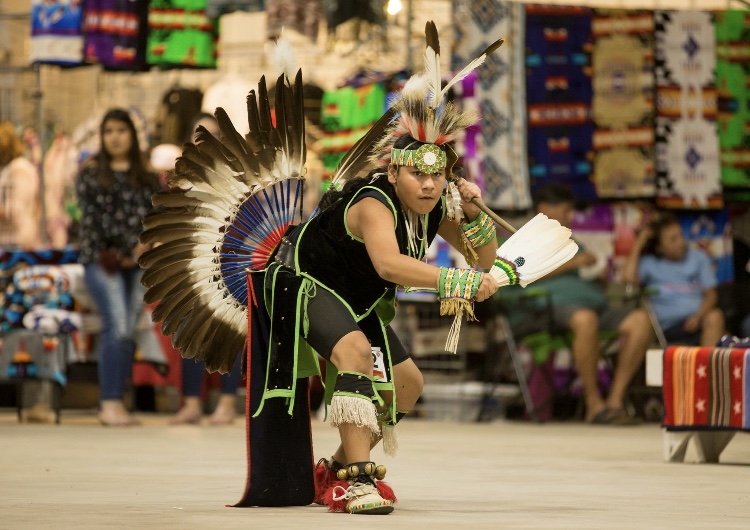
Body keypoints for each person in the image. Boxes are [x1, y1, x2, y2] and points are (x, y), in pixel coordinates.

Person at [531, 184, 654, 424]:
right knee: (585, 319)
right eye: (566, 211)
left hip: (595, 305)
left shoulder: (571, 241)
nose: (570, 217)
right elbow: (520, 274)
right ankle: (593, 403)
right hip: (546, 310)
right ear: (544, 209)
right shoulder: (522, 239)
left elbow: (595, 276)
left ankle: (615, 401)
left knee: (641, 320)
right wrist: (573, 264)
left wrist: (598, 273)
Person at [75, 108, 159, 426]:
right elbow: (94, 221)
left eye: (121, 130)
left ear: (132, 135)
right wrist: (127, 248)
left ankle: (117, 402)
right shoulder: (90, 173)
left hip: (138, 263)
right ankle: (108, 402)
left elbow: (158, 216)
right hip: (103, 261)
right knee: (118, 325)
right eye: (109, 130)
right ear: (102, 136)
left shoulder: (147, 176)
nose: (115, 136)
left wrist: (147, 245)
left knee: (129, 331)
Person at [167, 112, 243, 425]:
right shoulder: (180, 177)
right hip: (192, 261)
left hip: (231, 260)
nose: (207, 142)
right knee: (189, 325)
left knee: (230, 327)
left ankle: (226, 402)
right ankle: (191, 403)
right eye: (201, 136)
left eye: (213, 135)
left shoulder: (237, 174)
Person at [622, 212, 725, 347]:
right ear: (659, 248)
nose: (681, 243)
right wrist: (640, 241)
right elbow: (628, 278)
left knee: (715, 316)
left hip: (699, 320)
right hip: (666, 329)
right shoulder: (649, 263)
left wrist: (698, 317)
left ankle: (706, 367)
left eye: (681, 236)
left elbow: (711, 295)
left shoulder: (698, 258)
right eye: (673, 240)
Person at [0, 121, 42, 249]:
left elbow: (15, 212)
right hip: (12, 241)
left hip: (17, 244)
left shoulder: (18, 169)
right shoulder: (12, 168)